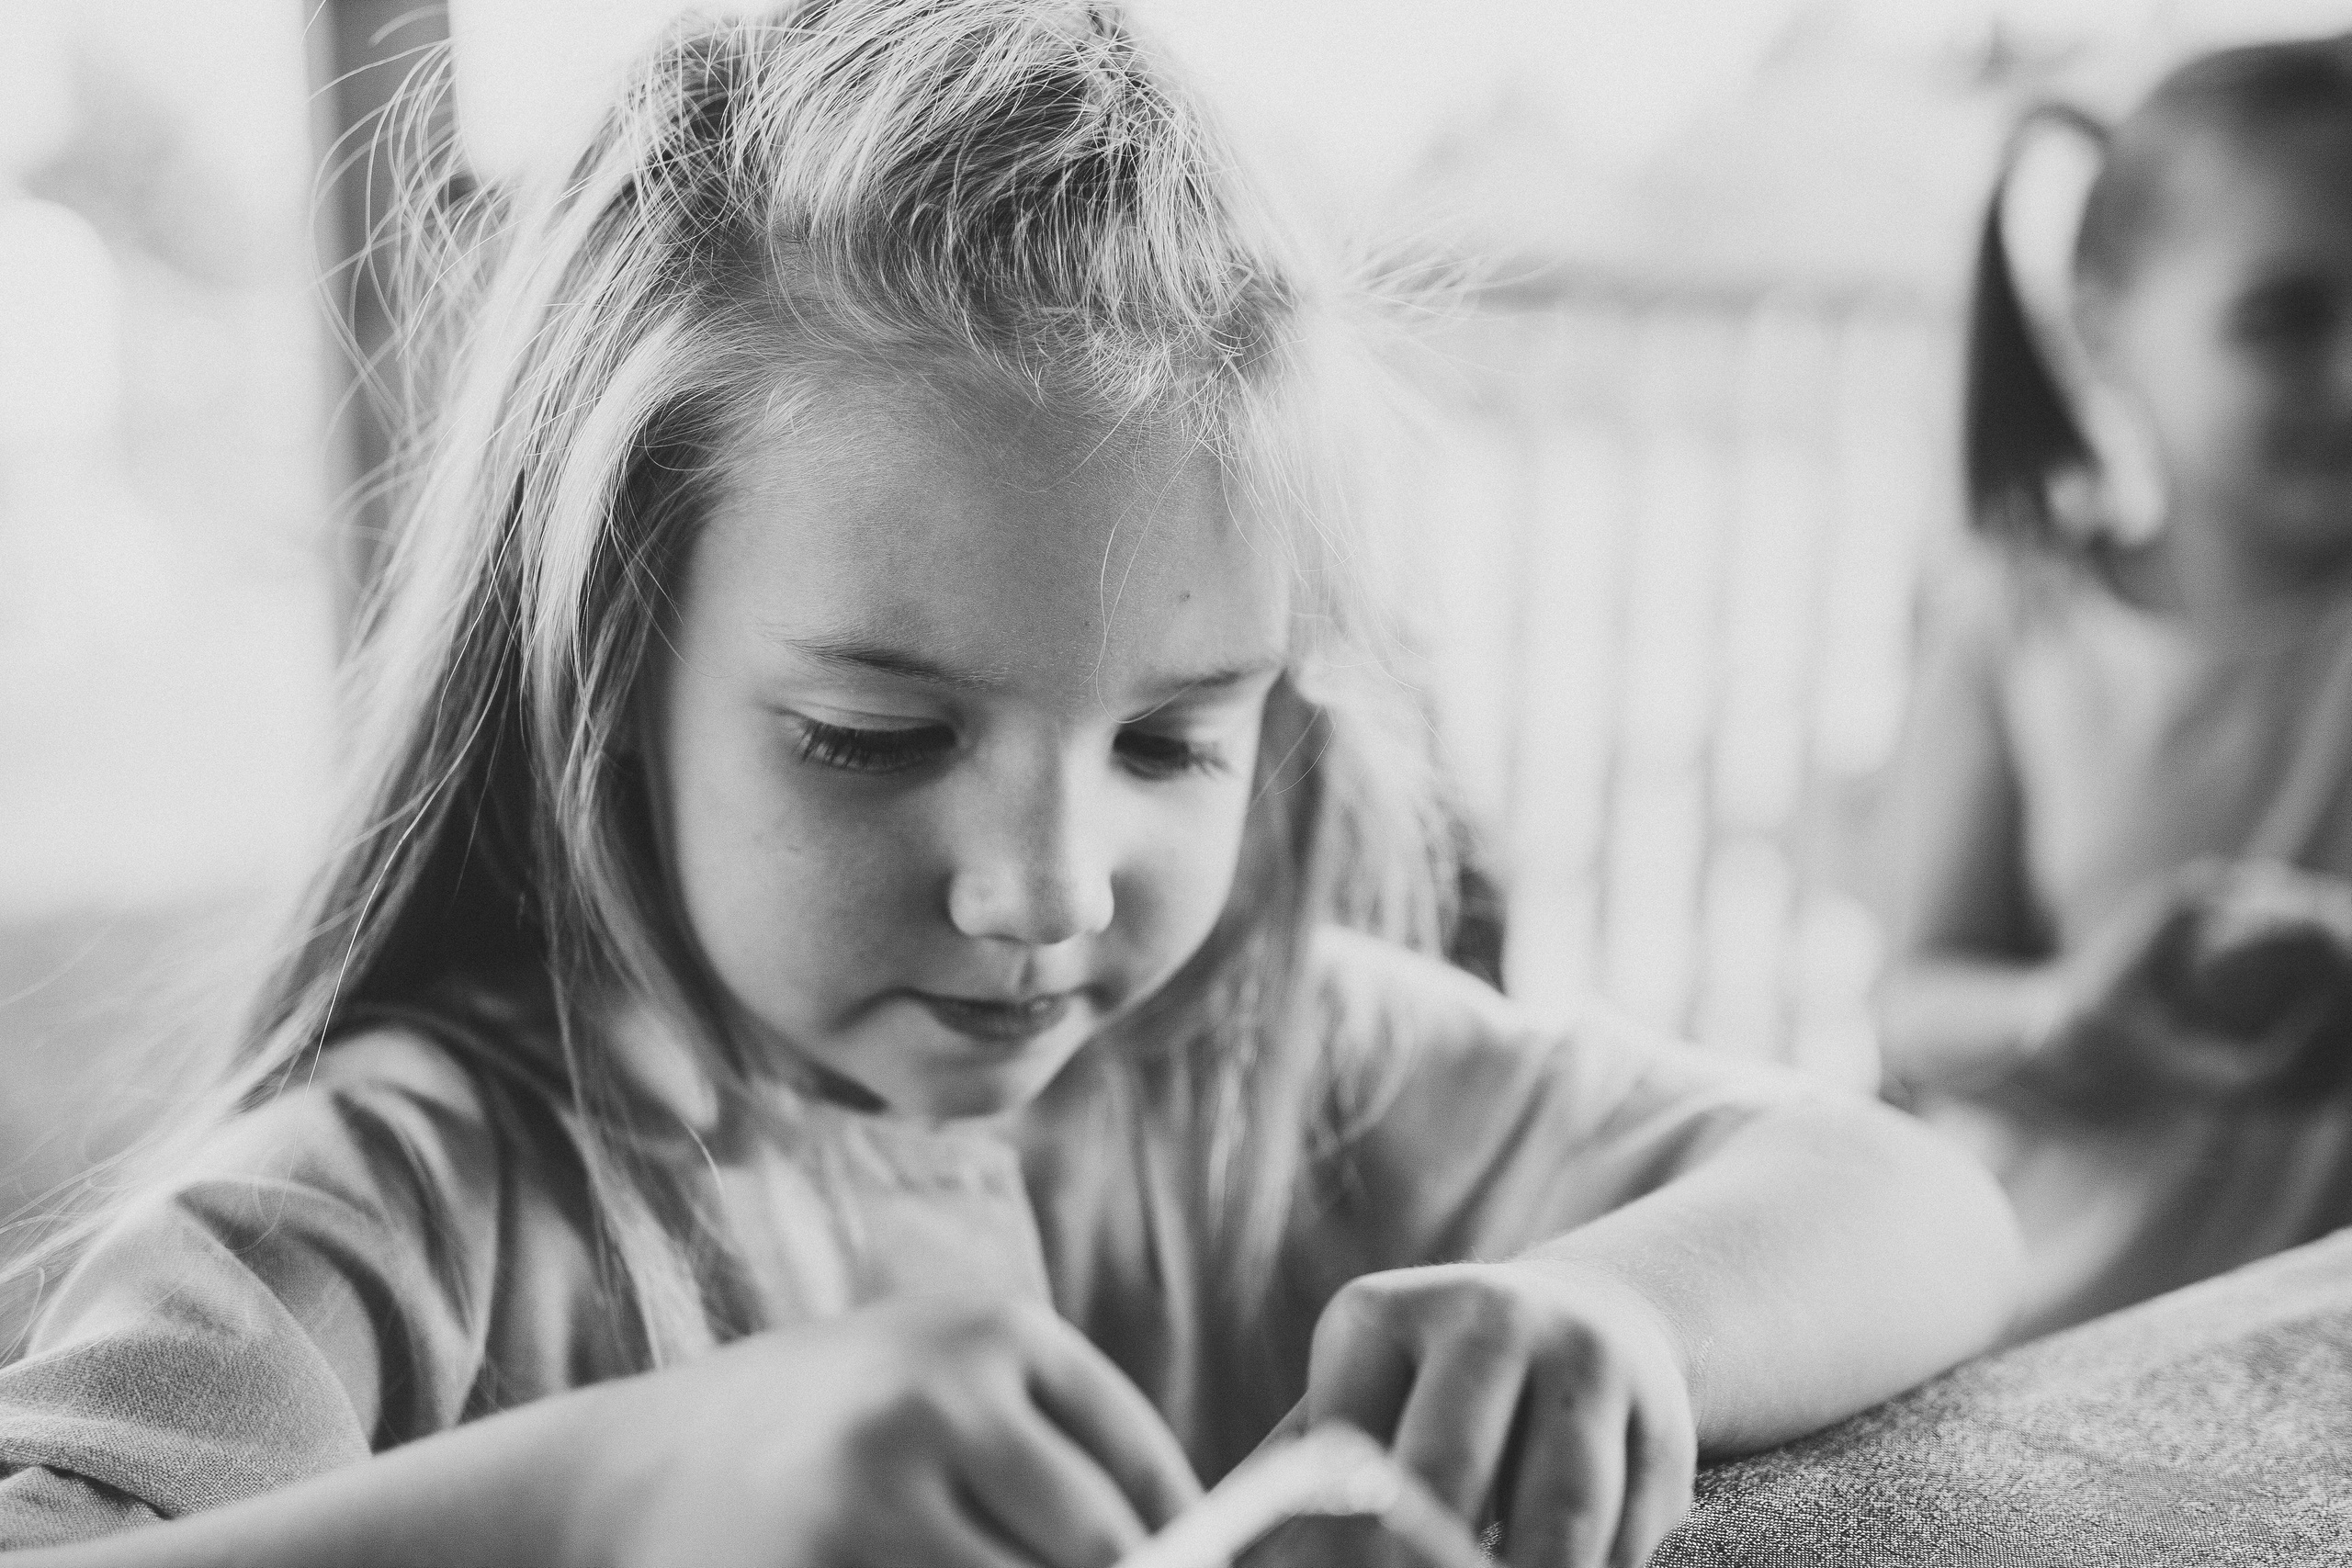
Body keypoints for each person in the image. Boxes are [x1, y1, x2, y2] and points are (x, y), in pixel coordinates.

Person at [0, 4, 2019, 1564]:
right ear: (607, 679)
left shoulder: (1262, 1064)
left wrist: (1615, 1313)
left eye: (1168, 739)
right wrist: (602, 1501)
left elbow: (1916, 1197)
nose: (1046, 889)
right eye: (875, 739)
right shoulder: (390, 1205)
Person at [1877, 36, 2352, 1344]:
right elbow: (1920, 1003)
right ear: (2104, 325)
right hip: (2024, 1350)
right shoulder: (2016, 629)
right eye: (2283, 319)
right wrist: (2068, 1018)